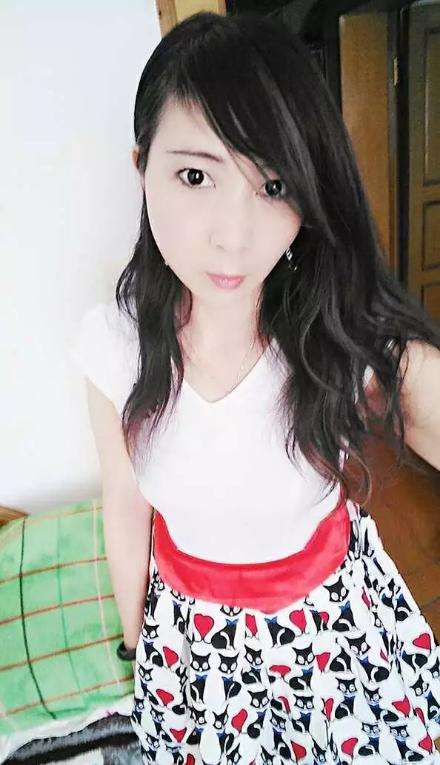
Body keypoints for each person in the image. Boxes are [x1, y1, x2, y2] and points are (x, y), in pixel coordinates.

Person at [70, 11, 440, 764]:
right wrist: (139, 645)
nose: (233, 236)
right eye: (195, 176)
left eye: (273, 185)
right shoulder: (112, 345)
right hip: (192, 643)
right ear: (141, 167)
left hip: (333, 633)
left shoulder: (343, 337)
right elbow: (126, 502)